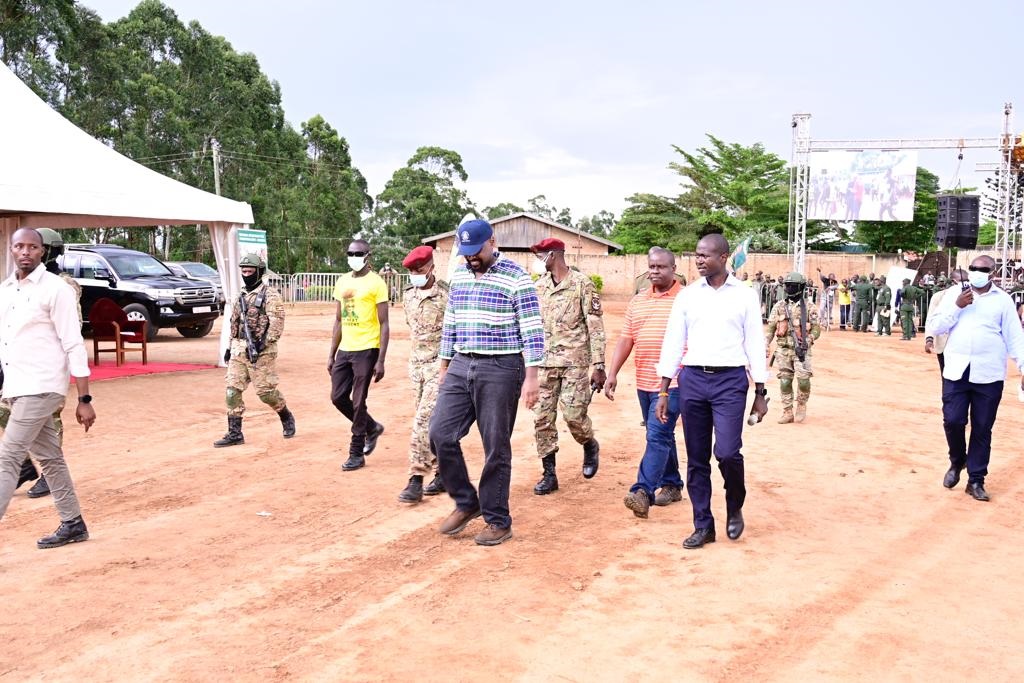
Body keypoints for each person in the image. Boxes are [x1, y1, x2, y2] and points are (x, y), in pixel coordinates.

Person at [428, 219, 543, 546]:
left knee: (495, 445)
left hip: (501, 367)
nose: (471, 257)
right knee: (439, 433)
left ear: (492, 242)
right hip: (461, 362)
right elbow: (451, 321)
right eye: (465, 252)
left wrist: (532, 377)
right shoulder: (461, 274)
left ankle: (498, 520)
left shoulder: (517, 278)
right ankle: (467, 501)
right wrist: (444, 365)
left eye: (476, 250)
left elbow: (533, 329)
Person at [655, 233, 769, 549]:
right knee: (697, 458)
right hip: (692, 380)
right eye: (697, 255)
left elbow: (755, 343)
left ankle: (735, 504)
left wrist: (760, 392)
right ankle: (703, 525)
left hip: (730, 381)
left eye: (705, 255)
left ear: (723, 257)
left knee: (728, 452)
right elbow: (673, 341)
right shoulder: (688, 296)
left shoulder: (744, 295)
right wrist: (663, 389)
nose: (699, 260)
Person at [0, 228, 96, 548]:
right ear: (11, 250)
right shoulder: (6, 290)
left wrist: (84, 398)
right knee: (51, 458)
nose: (25, 252)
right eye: (19, 246)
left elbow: (73, 344)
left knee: (8, 457)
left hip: (42, 385)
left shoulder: (56, 289)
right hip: (16, 385)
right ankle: (73, 523)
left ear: (43, 251)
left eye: (32, 246)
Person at [925, 256, 1024, 501]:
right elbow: (936, 326)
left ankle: (976, 480)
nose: (976, 272)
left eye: (982, 269)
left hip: (989, 374)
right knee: (953, 421)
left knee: (982, 428)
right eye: (973, 268)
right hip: (957, 371)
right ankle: (957, 460)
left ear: (993, 272)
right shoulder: (954, 294)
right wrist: (957, 306)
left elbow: (1015, 337)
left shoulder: (1003, 300)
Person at [605, 247, 686, 518]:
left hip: (674, 382)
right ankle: (672, 484)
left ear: (673, 269)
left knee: (657, 434)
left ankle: (642, 491)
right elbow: (626, 339)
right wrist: (613, 373)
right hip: (644, 380)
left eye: (661, 267)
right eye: (651, 266)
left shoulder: (686, 299)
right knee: (661, 434)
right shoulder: (638, 301)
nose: (655, 271)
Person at [529, 237, 605, 495]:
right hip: (544, 364)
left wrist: (599, 365)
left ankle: (589, 443)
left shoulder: (582, 284)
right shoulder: (538, 287)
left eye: (540, 256)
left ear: (553, 255)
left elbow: (595, 327)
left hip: (574, 363)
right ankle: (549, 474)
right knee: (542, 419)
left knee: (573, 416)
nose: (538, 261)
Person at [213, 253, 295, 447]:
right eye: (244, 271)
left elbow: (277, 324)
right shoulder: (240, 296)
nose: (246, 274)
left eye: (250, 271)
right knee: (232, 391)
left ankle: (285, 415)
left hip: (262, 353)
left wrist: (262, 344)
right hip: (238, 350)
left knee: (265, 393)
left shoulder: (270, 295)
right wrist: (229, 347)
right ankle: (235, 433)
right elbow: (235, 324)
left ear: (259, 272)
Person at [329, 239, 390, 470]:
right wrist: (331, 353)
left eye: (358, 254)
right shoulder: (342, 281)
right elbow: (338, 320)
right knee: (337, 397)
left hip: (367, 348)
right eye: (350, 253)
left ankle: (356, 452)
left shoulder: (377, 284)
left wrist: (381, 360)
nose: (353, 257)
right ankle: (372, 427)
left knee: (358, 401)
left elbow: (384, 324)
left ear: (367, 256)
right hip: (345, 348)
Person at [396, 246, 449, 504]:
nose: (415, 275)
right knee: (433, 423)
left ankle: (415, 478)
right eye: (412, 272)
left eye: (419, 270)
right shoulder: (408, 296)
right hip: (416, 367)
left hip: (440, 366)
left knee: (422, 421)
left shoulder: (447, 296)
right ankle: (443, 473)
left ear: (431, 267)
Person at [765, 272, 820, 424]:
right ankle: (787, 411)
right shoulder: (779, 306)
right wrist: (766, 343)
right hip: (783, 350)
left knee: (803, 381)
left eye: (792, 286)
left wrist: (809, 339)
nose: (788, 288)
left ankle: (801, 404)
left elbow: (816, 328)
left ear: (801, 287)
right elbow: (771, 328)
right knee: (785, 381)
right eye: (787, 285)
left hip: (802, 350)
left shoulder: (809, 307)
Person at [924, 272, 962, 372]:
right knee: (946, 374)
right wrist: (929, 339)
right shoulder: (938, 297)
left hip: (963, 346)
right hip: (943, 343)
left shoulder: (971, 296)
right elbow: (930, 319)